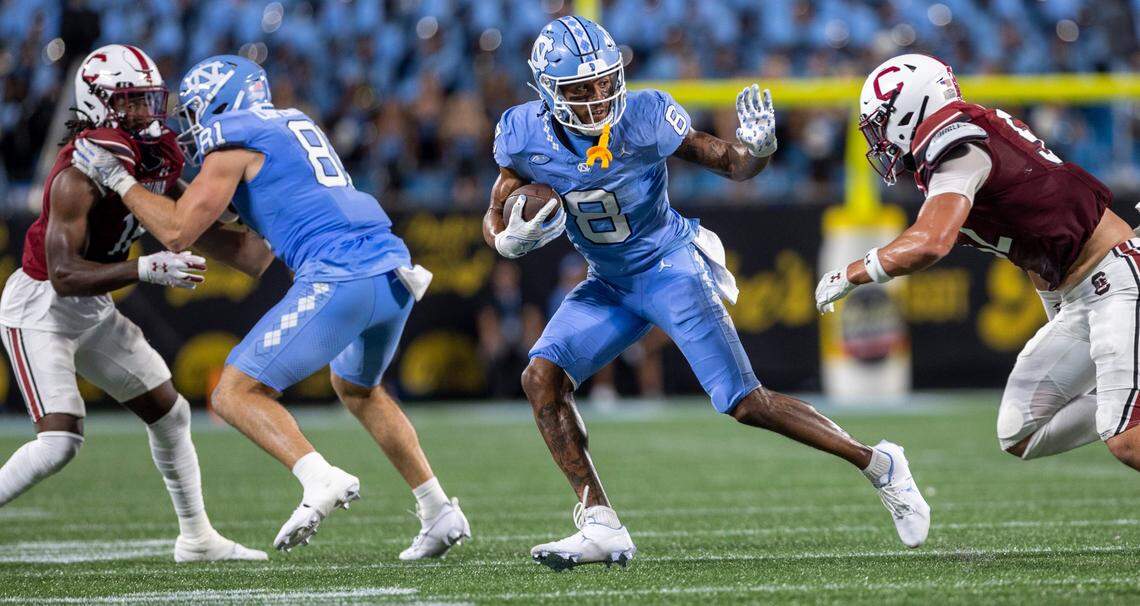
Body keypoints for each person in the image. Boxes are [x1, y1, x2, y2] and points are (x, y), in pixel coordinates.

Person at [484, 17, 930, 570]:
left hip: (669, 266)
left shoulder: (644, 115)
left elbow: (733, 164)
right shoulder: (522, 132)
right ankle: (600, 521)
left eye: (605, 82)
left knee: (746, 403)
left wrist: (761, 148)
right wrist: (504, 239)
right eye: (581, 90)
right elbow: (497, 209)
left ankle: (879, 463)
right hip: (608, 281)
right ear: (548, 93)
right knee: (541, 379)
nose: (599, 97)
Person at [71, 54, 470, 559]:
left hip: (341, 275)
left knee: (234, 393)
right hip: (392, 271)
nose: (194, 127)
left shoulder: (232, 137)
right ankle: (437, 510)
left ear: (219, 101)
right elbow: (255, 256)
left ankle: (318, 476)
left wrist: (123, 181)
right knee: (358, 390)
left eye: (195, 112)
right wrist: (179, 199)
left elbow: (174, 231)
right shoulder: (290, 122)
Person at [0, 45, 267, 562]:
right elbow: (62, 274)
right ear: (99, 104)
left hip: (92, 307)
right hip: (41, 308)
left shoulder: (149, 154)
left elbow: (192, 221)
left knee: (170, 415)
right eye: (130, 103)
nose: (145, 113)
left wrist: (266, 232)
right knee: (59, 442)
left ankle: (197, 539)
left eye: (149, 100)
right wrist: (144, 268)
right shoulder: (77, 174)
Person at [816, 53, 1140, 468]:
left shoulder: (954, 141)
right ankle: (1128, 392)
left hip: (1115, 276)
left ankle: (1126, 402)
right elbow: (1032, 237)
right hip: (1081, 292)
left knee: (1127, 439)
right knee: (1021, 429)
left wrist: (855, 271)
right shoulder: (962, 135)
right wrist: (1056, 308)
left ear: (910, 105)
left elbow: (931, 242)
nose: (879, 138)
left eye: (881, 122)